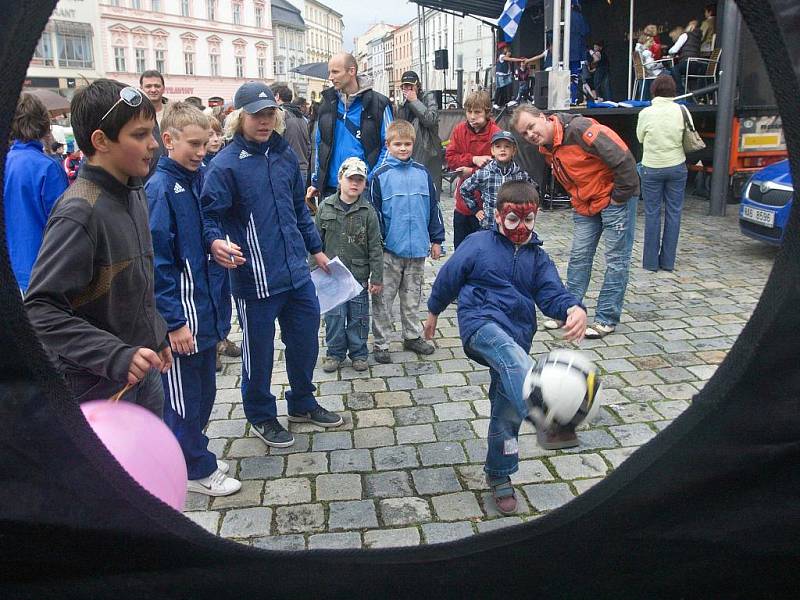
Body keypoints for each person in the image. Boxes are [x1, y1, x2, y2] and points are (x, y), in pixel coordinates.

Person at [424, 180, 587, 514]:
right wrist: (432, 312)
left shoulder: (538, 258)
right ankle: (548, 418)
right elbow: (448, 277)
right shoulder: (478, 244)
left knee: (506, 410)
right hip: (480, 325)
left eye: (528, 220)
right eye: (513, 219)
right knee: (515, 360)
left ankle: (500, 475)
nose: (521, 227)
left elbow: (552, 293)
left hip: (517, 334)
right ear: (498, 216)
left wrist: (572, 308)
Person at [201, 82, 343, 449]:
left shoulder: (282, 155)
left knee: (305, 342)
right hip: (255, 278)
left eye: (269, 114)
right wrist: (216, 241)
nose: (264, 122)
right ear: (239, 117)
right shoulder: (224, 165)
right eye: (256, 115)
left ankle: (302, 402)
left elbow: (298, 209)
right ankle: (262, 415)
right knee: (259, 353)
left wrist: (317, 250)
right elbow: (210, 216)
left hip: (296, 273)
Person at [25, 79, 172, 414]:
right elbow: (39, 310)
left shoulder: (133, 189)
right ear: (101, 140)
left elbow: (133, 282)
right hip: (96, 385)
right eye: (139, 135)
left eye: (151, 132)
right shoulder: (79, 211)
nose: (152, 144)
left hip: (140, 370)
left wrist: (156, 333)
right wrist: (113, 354)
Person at [145, 102, 241, 496]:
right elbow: (158, 263)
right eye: (195, 144)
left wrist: (215, 243)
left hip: (206, 311)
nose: (203, 152)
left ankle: (192, 452)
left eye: (206, 144)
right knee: (183, 401)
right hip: (185, 320)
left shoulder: (196, 177)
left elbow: (204, 227)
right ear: (168, 140)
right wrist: (173, 322)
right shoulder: (160, 188)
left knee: (204, 394)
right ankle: (192, 468)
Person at [511, 104, 639, 339]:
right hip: (585, 205)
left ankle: (606, 318)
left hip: (613, 200)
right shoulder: (546, 148)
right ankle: (569, 310)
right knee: (579, 258)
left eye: (531, 127)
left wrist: (618, 198)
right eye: (524, 133)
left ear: (543, 117)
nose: (530, 134)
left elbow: (624, 159)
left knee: (616, 261)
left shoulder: (581, 129)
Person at [369, 119, 445, 364]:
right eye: (398, 144)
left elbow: (433, 208)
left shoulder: (423, 174)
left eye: (407, 144)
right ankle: (381, 342)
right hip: (390, 251)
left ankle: (412, 335)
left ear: (414, 144)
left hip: (417, 251)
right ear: (388, 145)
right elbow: (374, 214)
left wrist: (436, 239)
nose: (403, 148)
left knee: (412, 297)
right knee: (383, 300)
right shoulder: (380, 177)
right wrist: (377, 247)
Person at [313, 157, 383, 373]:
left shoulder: (368, 212)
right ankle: (334, 353)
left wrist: (377, 277)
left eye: (359, 180)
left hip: (358, 276)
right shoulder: (325, 207)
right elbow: (314, 242)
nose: (354, 184)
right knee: (334, 317)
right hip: (331, 276)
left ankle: (359, 352)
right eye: (350, 178)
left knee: (359, 317)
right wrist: (313, 270)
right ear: (340, 179)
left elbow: (375, 248)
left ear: (364, 184)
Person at [306, 52, 393, 211]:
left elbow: (389, 145)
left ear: (351, 71)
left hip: (362, 188)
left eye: (335, 72)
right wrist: (317, 181)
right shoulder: (326, 103)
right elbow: (320, 145)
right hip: (331, 188)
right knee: (330, 236)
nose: (330, 77)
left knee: (365, 235)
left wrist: (370, 178)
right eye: (329, 72)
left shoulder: (379, 104)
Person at [4, 92, 69, 292]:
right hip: (43, 272)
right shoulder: (47, 168)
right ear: (43, 123)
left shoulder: (8, 162)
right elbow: (64, 225)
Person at [636, 75, 688, 272]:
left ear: (654, 90)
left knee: (652, 213)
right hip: (676, 165)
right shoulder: (682, 110)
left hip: (652, 167)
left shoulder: (646, 113)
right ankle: (668, 262)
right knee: (674, 213)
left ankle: (650, 262)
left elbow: (640, 137)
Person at [445, 90, 502, 249]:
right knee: (461, 251)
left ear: (487, 112)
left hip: (487, 205)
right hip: (463, 205)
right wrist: (473, 159)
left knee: (484, 252)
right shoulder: (459, 130)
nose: (472, 116)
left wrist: (470, 171)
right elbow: (450, 158)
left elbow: (498, 168)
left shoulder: (496, 134)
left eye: (477, 112)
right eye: (469, 111)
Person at [460, 131, 532, 230]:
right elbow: (464, 189)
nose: (502, 149)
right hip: (489, 225)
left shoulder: (521, 175)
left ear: (514, 150)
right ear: (492, 151)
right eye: (498, 146)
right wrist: (475, 209)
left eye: (507, 146)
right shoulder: (484, 173)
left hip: (513, 226)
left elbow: (533, 192)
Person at [397, 70, 443, 194]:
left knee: (429, 193)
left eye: (411, 86)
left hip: (428, 152)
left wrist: (414, 101)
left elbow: (431, 119)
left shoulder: (428, 97)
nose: (408, 89)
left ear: (417, 85)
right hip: (409, 153)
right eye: (405, 86)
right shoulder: (403, 105)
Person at [272, 84, 311, 185]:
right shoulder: (302, 117)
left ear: (277, 96)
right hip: (302, 167)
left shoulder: (279, 115)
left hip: (285, 168)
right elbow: (309, 145)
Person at [140, 69, 167, 177]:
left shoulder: (175, 113)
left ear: (163, 88)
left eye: (157, 86)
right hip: (147, 176)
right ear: (141, 89)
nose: (153, 89)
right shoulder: (136, 117)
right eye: (148, 86)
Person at [669, 20, 703, 95]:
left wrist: (669, 52)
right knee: (690, 78)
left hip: (687, 63)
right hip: (697, 65)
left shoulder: (685, 35)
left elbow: (673, 50)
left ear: (692, 26)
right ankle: (692, 97)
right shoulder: (698, 37)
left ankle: (680, 92)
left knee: (674, 70)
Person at [493, 43, 527, 108]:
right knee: (500, 88)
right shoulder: (501, 56)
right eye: (506, 48)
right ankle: (495, 103)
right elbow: (511, 59)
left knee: (507, 88)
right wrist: (520, 60)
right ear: (503, 49)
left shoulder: (505, 58)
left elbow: (509, 64)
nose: (507, 50)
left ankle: (507, 101)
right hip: (501, 75)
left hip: (506, 75)